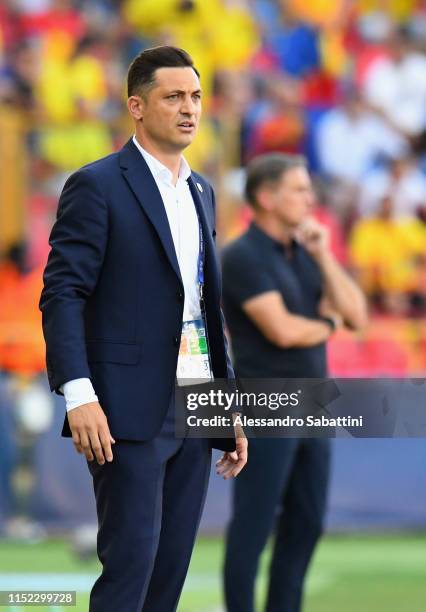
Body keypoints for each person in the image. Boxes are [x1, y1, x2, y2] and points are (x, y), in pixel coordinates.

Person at [39, 45, 247, 612]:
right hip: (124, 409)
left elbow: (206, 308)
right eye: (173, 96)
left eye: (197, 96)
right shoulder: (97, 185)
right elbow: (63, 293)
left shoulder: (202, 191)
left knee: (167, 580)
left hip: (194, 404)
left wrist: (224, 409)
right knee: (129, 573)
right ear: (136, 106)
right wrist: (78, 394)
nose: (190, 108)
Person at [222, 153, 366, 612]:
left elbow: (357, 315)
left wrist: (324, 254)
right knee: (254, 525)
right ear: (266, 197)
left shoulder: (305, 253)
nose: (310, 198)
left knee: (306, 524)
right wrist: (327, 325)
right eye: (299, 190)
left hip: (313, 404)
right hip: (266, 404)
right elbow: (281, 329)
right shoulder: (242, 256)